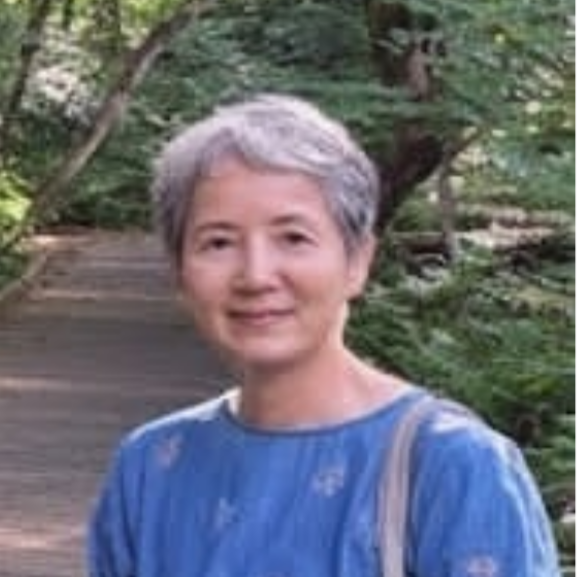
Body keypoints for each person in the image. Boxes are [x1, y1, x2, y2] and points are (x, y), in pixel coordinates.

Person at [88, 93, 560, 577]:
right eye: (219, 242)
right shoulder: (150, 467)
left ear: (357, 261)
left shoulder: (453, 467)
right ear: (180, 272)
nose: (256, 275)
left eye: (293, 237)